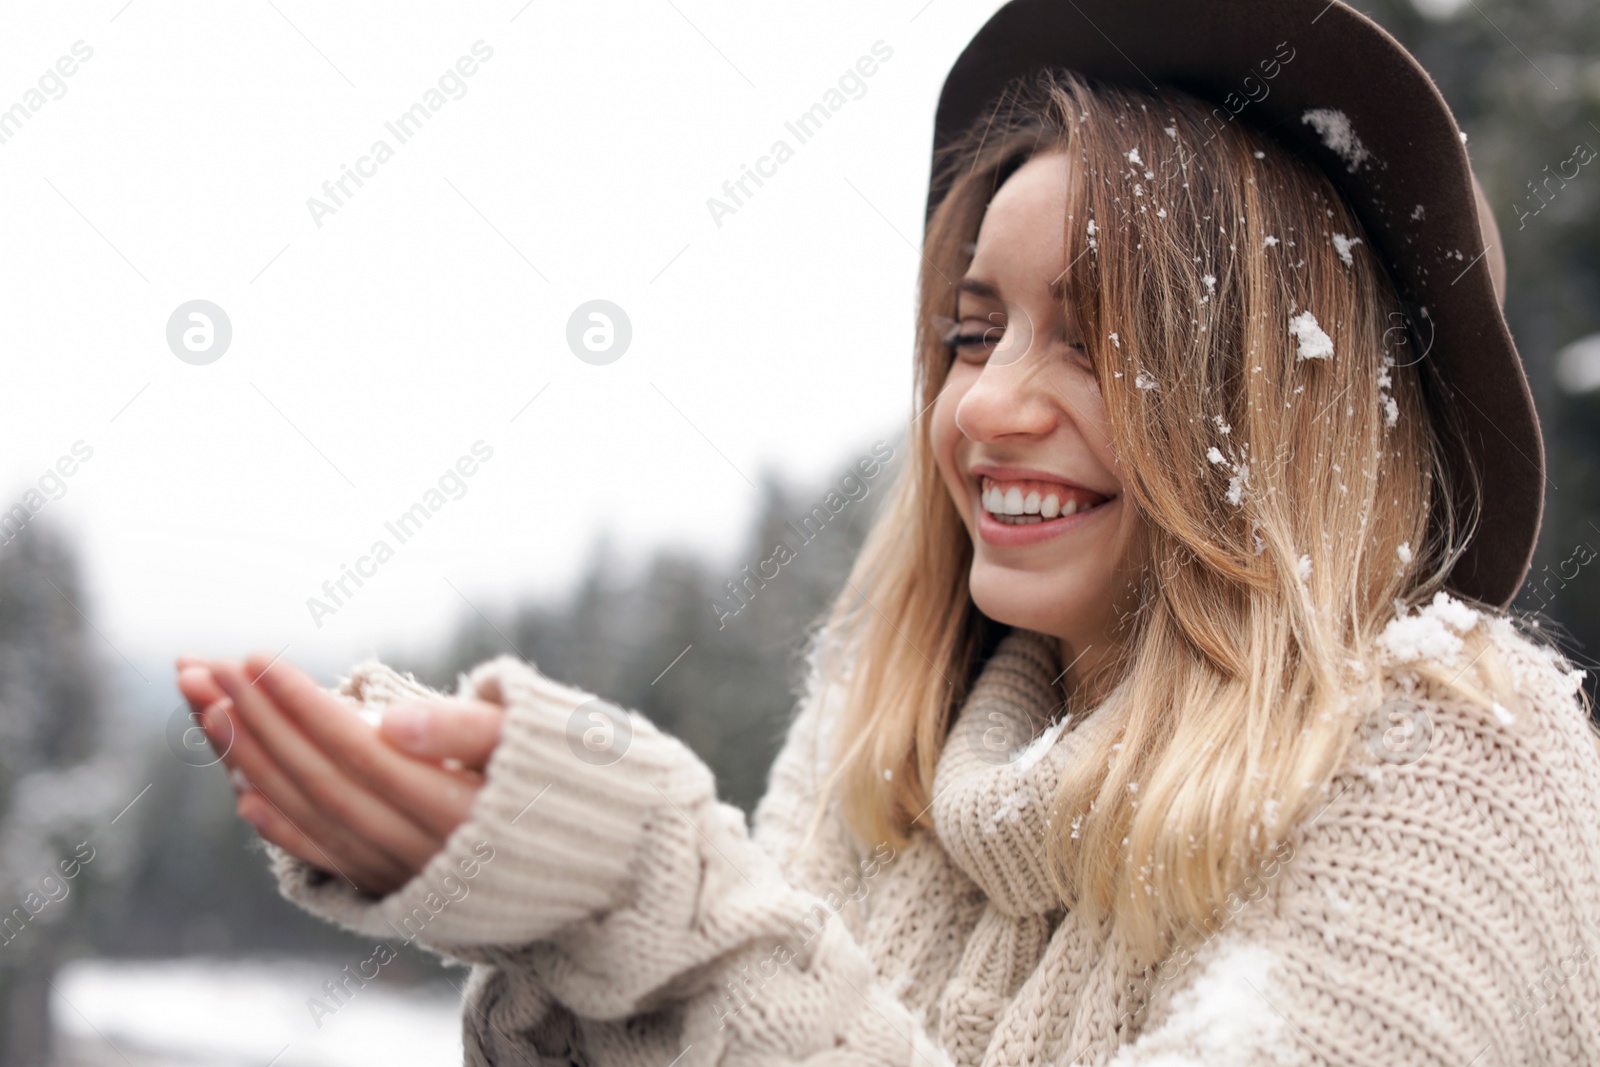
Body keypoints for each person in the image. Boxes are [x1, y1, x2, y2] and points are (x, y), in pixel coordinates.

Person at [176, 0, 1600, 1062]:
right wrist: (555, 924)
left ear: (1281, 399)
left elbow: (732, 964)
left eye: (1101, 343)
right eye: (969, 335)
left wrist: (646, 896)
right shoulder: (884, 756)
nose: (985, 409)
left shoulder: (1459, 770)